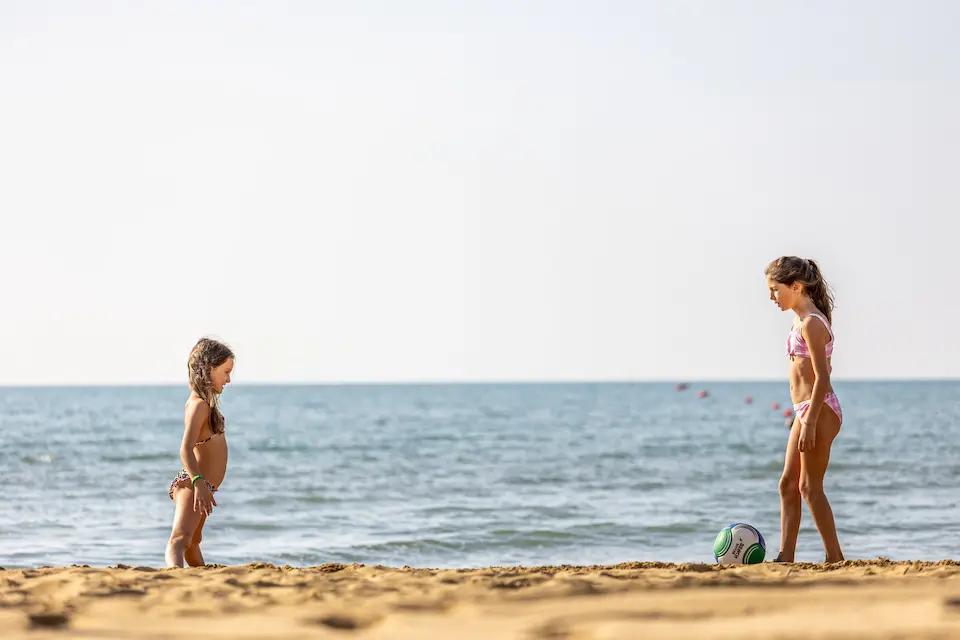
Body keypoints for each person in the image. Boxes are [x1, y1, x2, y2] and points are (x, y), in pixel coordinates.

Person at [765, 257, 844, 563]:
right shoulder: (800, 320)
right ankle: (786, 556)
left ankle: (835, 557)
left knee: (809, 487)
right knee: (787, 483)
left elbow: (823, 376)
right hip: (806, 409)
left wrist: (809, 421)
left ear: (795, 287)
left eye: (775, 290)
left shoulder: (811, 323)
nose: (771, 297)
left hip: (819, 408)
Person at [165, 337, 235, 568]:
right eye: (225, 372)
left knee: (193, 542)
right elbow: (185, 449)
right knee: (179, 540)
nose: (228, 379)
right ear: (209, 368)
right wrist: (198, 483)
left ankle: (199, 577)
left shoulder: (205, 404)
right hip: (193, 483)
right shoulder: (198, 405)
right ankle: (173, 580)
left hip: (202, 485)